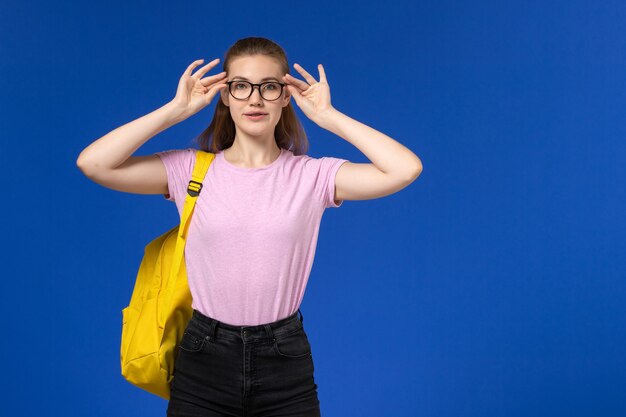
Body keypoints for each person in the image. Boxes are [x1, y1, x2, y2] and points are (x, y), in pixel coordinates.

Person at [77, 36, 422, 417]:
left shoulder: (313, 176)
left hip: (284, 358)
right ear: (225, 95)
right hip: (202, 355)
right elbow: (94, 163)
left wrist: (328, 117)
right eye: (241, 86)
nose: (254, 99)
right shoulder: (190, 171)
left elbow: (405, 169)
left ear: (286, 95)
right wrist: (175, 111)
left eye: (269, 87)